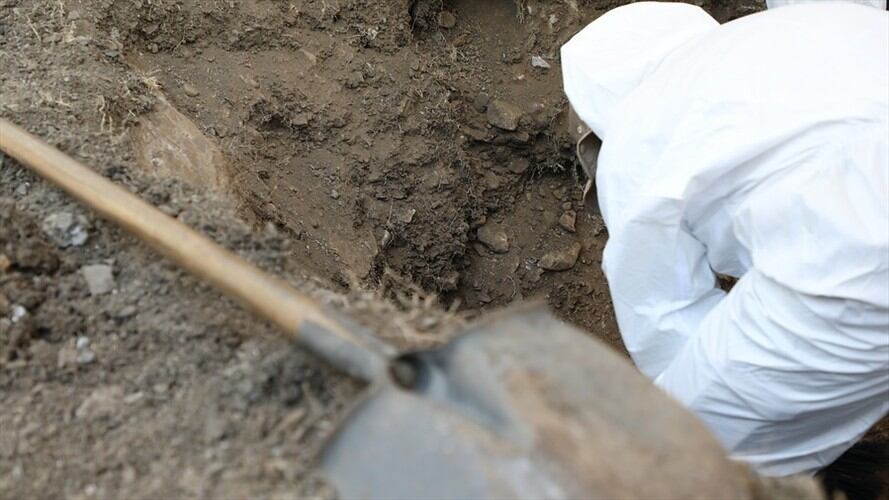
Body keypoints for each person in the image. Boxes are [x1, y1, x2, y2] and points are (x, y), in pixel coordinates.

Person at [561, 1, 889, 476]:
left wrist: (716, 403)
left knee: (692, 457)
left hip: (853, 258)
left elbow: (662, 317)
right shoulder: (793, 30)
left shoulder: (636, 136)